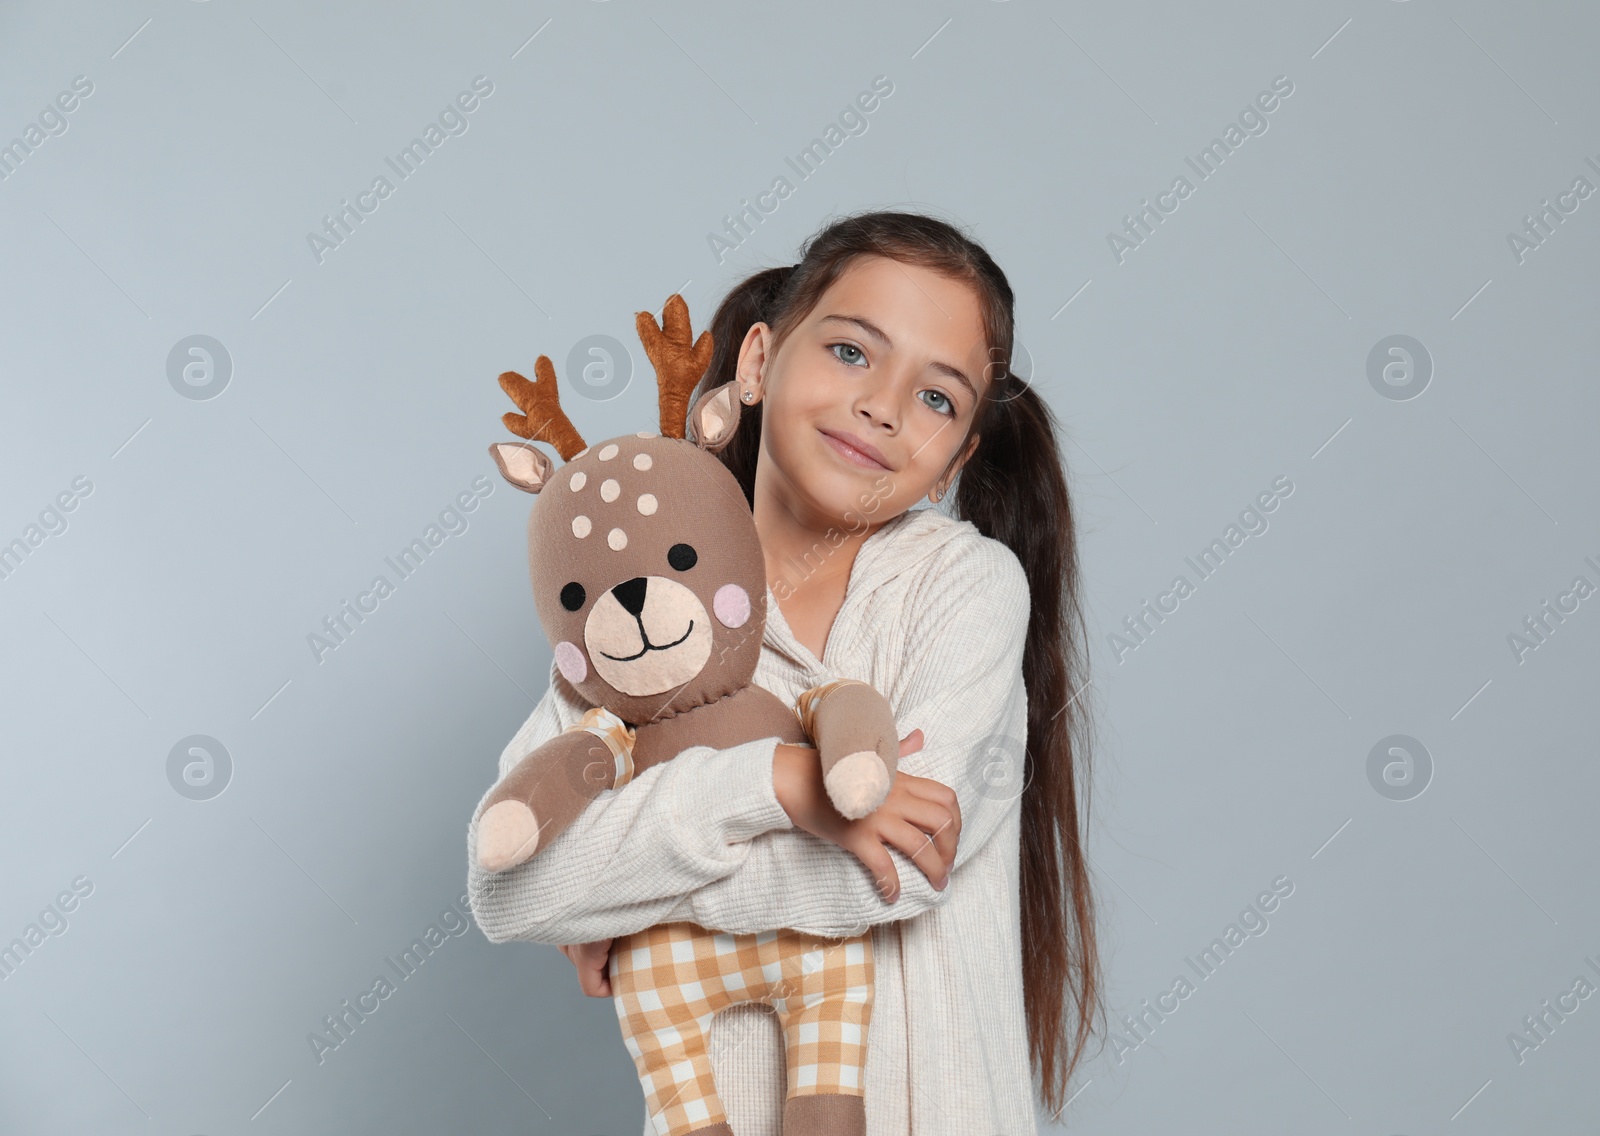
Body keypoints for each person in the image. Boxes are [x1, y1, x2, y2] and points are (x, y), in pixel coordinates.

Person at [466, 209, 1102, 1135]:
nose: (883, 405)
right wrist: (779, 782)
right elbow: (510, 884)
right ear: (757, 362)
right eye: (852, 351)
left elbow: (896, 869)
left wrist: (629, 894)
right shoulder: (647, 613)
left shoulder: (966, 588)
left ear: (954, 462)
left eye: (938, 398)